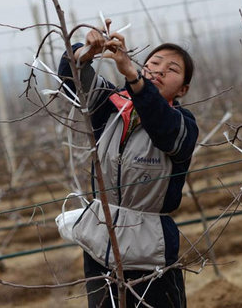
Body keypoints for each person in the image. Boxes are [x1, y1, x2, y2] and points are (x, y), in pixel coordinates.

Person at [58, 22, 198, 308]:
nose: (159, 70)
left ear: (182, 89)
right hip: (100, 239)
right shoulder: (110, 105)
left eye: (171, 70)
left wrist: (135, 79)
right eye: (154, 63)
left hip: (151, 248)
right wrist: (87, 52)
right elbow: (70, 76)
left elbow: (161, 126)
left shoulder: (182, 125)